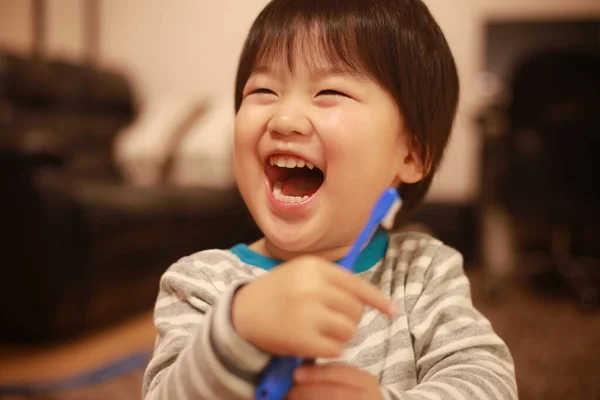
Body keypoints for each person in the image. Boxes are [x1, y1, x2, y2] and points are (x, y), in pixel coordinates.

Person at [142, 0, 517, 399]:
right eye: (263, 90)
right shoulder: (200, 284)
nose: (284, 119)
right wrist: (237, 330)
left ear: (410, 154)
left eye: (330, 91)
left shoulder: (422, 273)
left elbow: (488, 384)